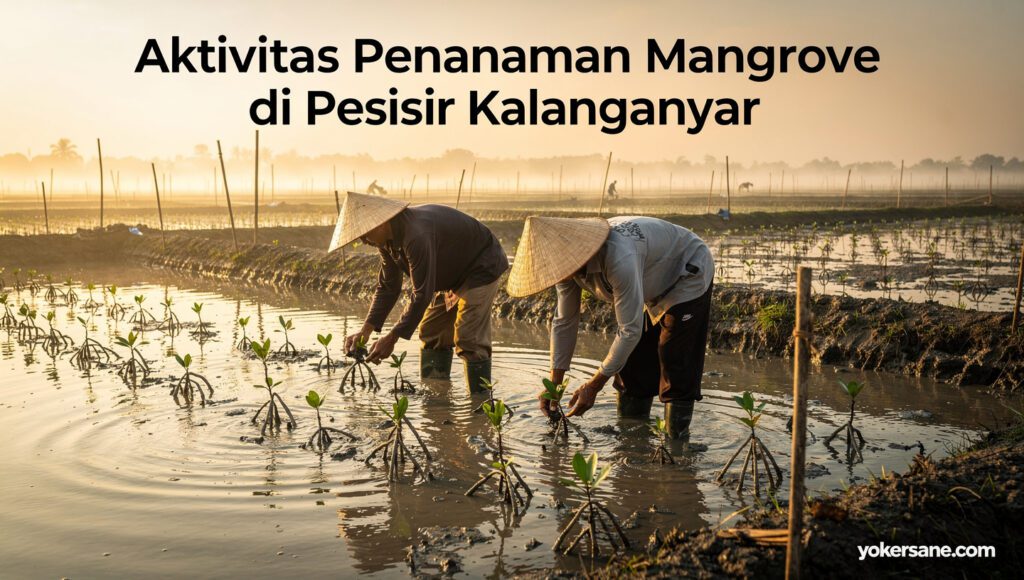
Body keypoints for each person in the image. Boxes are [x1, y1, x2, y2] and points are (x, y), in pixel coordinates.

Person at [506, 215, 714, 439]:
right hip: (650, 280)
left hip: (686, 273)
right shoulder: (565, 268)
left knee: (674, 359)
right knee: (633, 364)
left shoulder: (619, 256)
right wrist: (554, 384)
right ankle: (632, 441)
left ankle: (676, 448)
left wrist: (594, 385)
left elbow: (629, 330)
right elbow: (565, 321)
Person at [329, 192, 508, 392]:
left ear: (381, 223)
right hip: (452, 273)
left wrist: (392, 338)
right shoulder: (385, 241)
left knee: (468, 338)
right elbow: (388, 286)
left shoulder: (416, 235)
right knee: (432, 331)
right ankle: (437, 398)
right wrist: (365, 332)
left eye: (365, 234)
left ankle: (480, 407)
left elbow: (422, 293)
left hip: (481, 265)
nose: (364, 240)